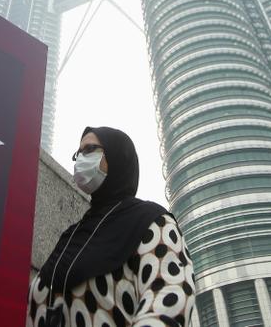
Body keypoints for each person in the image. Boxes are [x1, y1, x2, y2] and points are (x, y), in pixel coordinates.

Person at [27, 127, 195, 327]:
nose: (81, 159)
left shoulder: (151, 221)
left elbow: (170, 296)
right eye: (78, 153)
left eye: (89, 149)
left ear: (118, 157)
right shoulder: (71, 236)